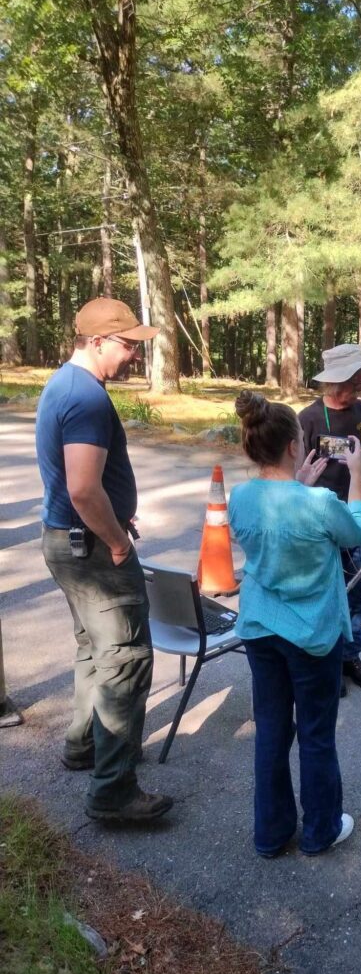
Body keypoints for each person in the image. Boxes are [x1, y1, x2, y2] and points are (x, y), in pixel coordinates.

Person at [36, 297, 172, 823]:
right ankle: (113, 790)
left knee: (94, 650)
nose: (135, 354)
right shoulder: (87, 399)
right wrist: (116, 539)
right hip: (91, 548)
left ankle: (83, 746)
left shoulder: (62, 385)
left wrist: (113, 519)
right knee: (126, 659)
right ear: (95, 342)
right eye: (127, 344)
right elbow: (84, 488)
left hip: (66, 541)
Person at [228, 391, 361, 857]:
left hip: (259, 630)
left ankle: (269, 834)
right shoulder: (318, 503)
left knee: (270, 729)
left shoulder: (241, 497)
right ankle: (320, 829)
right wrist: (355, 478)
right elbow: (355, 532)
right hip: (311, 635)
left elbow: (271, 526)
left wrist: (299, 483)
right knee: (315, 732)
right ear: (294, 446)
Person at [298, 344, 361, 693]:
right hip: (320, 525)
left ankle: (350, 657)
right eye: (358, 382)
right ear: (337, 382)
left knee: (356, 596)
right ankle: (328, 664)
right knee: (325, 596)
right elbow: (294, 476)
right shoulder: (307, 419)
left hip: (355, 521)